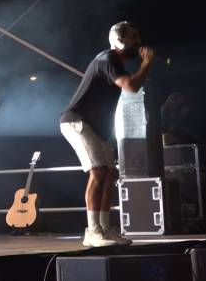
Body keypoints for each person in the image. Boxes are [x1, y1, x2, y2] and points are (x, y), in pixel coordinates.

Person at [59, 21, 154, 247]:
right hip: (76, 121)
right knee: (99, 171)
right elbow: (131, 86)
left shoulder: (115, 63)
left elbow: (132, 84)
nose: (138, 42)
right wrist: (146, 63)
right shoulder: (108, 58)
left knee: (110, 174)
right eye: (134, 37)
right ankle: (92, 231)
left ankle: (104, 229)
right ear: (119, 40)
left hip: (95, 127)